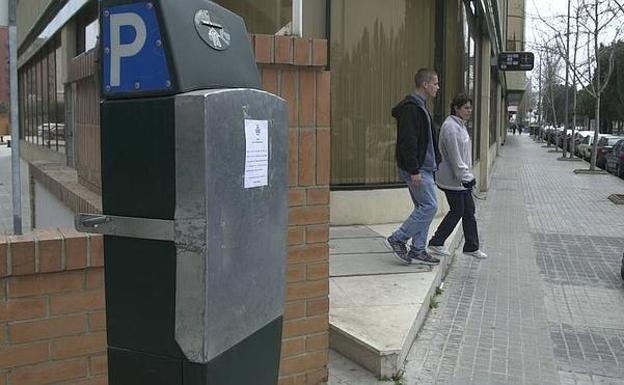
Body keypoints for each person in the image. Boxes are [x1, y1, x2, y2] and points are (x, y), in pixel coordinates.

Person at [386, 69, 441, 265]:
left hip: (425, 168)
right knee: (430, 206)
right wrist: (414, 170)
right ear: (425, 85)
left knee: (423, 206)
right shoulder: (412, 108)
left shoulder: (421, 106)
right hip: (418, 169)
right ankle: (398, 238)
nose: (437, 87)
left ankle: (418, 249)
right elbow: (407, 141)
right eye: (435, 83)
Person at [427, 94, 487, 259]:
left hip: (461, 179)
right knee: (458, 210)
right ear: (456, 108)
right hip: (453, 180)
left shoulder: (459, 125)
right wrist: (467, 177)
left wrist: (467, 176)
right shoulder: (450, 128)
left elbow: (463, 156)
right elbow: (455, 158)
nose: (470, 111)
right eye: (466, 108)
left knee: (469, 210)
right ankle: (436, 242)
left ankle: (471, 246)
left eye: (470, 107)